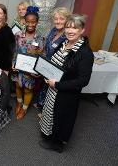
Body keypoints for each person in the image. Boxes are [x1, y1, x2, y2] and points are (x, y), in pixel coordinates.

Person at [39, 14, 94, 153]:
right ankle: (49, 135)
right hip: (53, 89)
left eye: (74, 28)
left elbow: (83, 81)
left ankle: (57, 145)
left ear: (82, 30)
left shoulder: (85, 53)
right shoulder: (65, 43)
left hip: (66, 94)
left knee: (62, 119)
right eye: (68, 27)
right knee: (51, 113)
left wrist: (57, 85)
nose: (70, 31)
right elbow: (55, 63)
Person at [36, 7, 71, 113]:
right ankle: (41, 105)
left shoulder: (68, 36)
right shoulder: (53, 30)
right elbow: (47, 46)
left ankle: (46, 112)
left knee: (52, 91)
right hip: (47, 64)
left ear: (67, 20)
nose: (58, 21)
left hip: (57, 68)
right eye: (56, 19)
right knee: (45, 86)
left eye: (61, 19)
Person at [12, 6, 45, 120]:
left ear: (37, 22)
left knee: (27, 89)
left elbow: (41, 56)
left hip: (30, 71)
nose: (30, 24)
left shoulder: (40, 38)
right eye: (28, 22)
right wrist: (13, 63)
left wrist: (37, 71)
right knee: (17, 85)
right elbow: (15, 50)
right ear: (24, 21)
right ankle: (19, 103)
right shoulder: (18, 35)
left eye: (33, 22)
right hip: (18, 68)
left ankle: (24, 108)